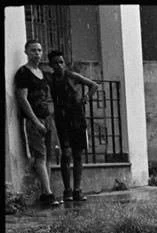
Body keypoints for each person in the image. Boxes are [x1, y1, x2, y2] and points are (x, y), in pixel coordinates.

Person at [14, 39, 60, 207]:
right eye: (33, 50)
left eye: (39, 50)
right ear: (26, 52)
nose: (37, 53)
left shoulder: (42, 72)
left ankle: (45, 191)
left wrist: (49, 119)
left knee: (48, 157)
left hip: (47, 118)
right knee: (39, 157)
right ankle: (48, 194)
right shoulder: (23, 73)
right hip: (35, 120)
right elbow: (22, 99)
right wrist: (35, 121)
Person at [48, 49, 98, 203]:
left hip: (77, 116)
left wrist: (86, 98)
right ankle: (67, 190)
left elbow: (93, 85)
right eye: (55, 63)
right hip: (62, 118)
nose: (59, 65)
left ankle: (77, 189)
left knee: (78, 154)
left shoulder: (72, 76)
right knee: (66, 153)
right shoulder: (51, 79)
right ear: (50, 64)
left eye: (61, 62)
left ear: (65, 63)